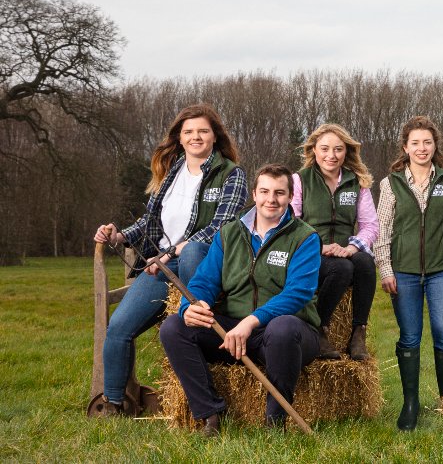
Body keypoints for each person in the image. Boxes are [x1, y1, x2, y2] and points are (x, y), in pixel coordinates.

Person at [91, 103, 247, 417]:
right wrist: (118, 236)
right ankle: (113, 403)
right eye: (188, 132)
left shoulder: (232, 174)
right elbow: (150, 223)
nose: (196, 137)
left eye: (203, 130)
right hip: (160, 267)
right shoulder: (171, 172)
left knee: (190, 252)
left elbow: (222, 228)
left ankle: (192, 339)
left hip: (200, 265)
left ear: (215, 136)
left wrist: (170, 253)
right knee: (119, 327)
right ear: (179, 138)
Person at [158, 164, 322, 436]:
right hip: (231, 332)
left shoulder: (304, 237)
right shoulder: (229, 233)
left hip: (285, 335)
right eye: (265, 191)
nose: (272, 199)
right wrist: (191, 307)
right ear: (255, 195)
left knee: (283, 328)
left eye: (279, 193)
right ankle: (210, 415)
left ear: (290, 196)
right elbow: (205, 281)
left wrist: (251, 321)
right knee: (174, 328)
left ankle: (275, 423)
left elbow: (298, 293)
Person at [375, 116, 443, 431]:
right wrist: (386, 269)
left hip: (440, 271)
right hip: (402, 273)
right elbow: (382, 233)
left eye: (427, 142)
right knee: (410, 337)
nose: (422, 148)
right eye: (415, 143)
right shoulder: (390, 183)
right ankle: (410, 404)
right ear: (406, 147)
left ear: (435, 146)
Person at [292, 123, 377, 361]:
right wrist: (319, 246)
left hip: (344, 248)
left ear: (346, 152)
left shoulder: (357, 183)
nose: (331, 155)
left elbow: (370, 225)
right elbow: (292, 221)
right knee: (342, 268)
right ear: (314, 151)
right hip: (311, 251)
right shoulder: (299, 180)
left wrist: (352, 247)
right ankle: (318, 328)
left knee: (365, 263)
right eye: (325, 149)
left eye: (338, 149)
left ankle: (358, 333)